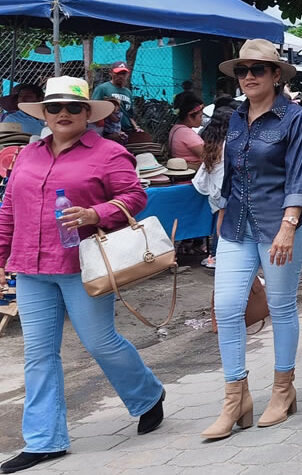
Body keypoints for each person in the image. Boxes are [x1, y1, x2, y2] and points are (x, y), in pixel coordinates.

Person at [0, 76, 165, 474]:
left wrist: (96, 213)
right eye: (54, 108)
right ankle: (45, 441)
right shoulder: (28, 154)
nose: (63, 114)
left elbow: (135, 197)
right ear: (44, 113)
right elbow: (8, 207)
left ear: (88, 113)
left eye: (73, 107)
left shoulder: (108, 152)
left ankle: (148, 396)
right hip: (31, 266)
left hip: (83, 265)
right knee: (38, 355)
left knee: (100, 342)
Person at [204, 39, 302, 440]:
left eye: (257, 70)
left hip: (279, 225)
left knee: (282, 308)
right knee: (228, 309)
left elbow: (301, 174)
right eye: (242, 71)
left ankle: (283, 390)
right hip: (235, 226)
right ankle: (236, 399)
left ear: (276, 75)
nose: (248, 77)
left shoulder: (295, 118)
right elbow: (230, 173)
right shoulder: (235, 118)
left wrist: (289, 223)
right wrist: (220, 215)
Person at [192, 106, 234, 271]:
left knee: (220, 223)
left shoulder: (212, 144)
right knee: (223, 226)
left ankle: (215, 255)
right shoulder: (228, 145)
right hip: (227, 191)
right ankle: (218, 256)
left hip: (216, 192)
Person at [91, 62, 139, 133]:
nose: (120, 76)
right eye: (118, 73)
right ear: (111, 73)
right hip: (109, 131)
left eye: (123, 73)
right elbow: (94, 110)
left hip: (128, 131)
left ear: (128, 75)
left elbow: (129, 114)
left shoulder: (128, 92)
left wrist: (136, 127)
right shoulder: (103, 88)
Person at [169, 94, 205, 168]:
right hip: (192, 172)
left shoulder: (176, 128)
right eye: (200, 116)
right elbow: (207, 156)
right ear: (189, 116)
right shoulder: (186, 133)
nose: (201, 120)